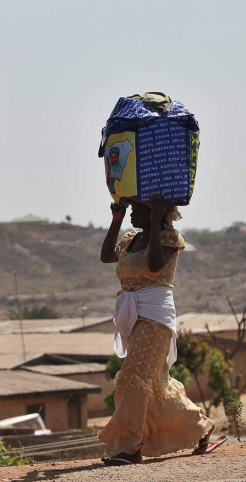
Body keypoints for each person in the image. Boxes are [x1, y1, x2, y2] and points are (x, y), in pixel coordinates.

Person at [97, 194, 222, 465]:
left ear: (155, 212)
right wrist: (116, 220)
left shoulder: (169, 238)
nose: (132, 213)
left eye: (137, 209)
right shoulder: (131, 239)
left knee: (132, 377)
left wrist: (155, 224)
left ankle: (130, 448)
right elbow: (106, 256)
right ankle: (201, 426)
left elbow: (155, 265)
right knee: (152, 383)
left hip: (155, 319)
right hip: (133, 316)